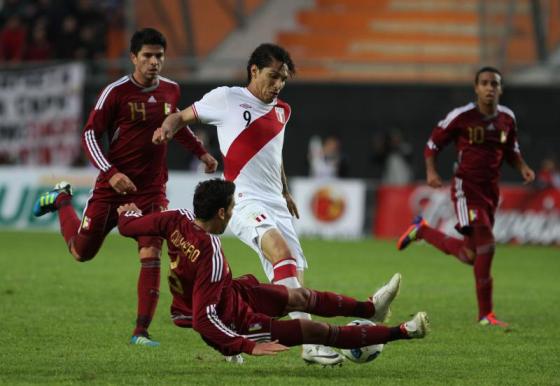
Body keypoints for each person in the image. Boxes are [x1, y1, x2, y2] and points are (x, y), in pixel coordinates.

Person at [152, 43, 345, 365]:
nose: (278, 84)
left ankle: (235, 324)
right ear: (253, 71)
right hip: (241, 197)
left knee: (288, 273)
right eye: (273, 76)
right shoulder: (226, 99)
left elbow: (275, 154)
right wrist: (165, 130)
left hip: (275, 200)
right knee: (281, 254)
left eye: (283, 78)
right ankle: (310, 342)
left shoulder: (283, 110)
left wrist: (284, 192)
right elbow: (179, 117)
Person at [31, 28, 218, 346]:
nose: (153, 62)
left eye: (159, 56)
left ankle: (140, 332)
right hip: (112, 188)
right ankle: (62, 199)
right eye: (147, 56)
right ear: (133, 57)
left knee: (150, 253)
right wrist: (110, 171)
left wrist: (200, 152)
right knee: (80, 252)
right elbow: (89, 135)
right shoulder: (115, 92)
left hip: (151, 190)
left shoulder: (171, 90)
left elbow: (174, 124)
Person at [116, 178, 430, 360]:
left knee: (299, 296)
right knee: (314, 332)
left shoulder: (176, 219)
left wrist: (125, 216)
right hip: (233, 317)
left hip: (233, 293)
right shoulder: (210, 253)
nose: (234, 213)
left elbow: (133, 227)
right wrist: (245, 345)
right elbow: (203, 319)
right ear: (222, 213)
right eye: (233, 209)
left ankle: (370, 308)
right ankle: (404, 332)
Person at [397, 66, 535, 327]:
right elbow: (432, 144)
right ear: (476, 88)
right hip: (466, 188)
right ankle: (486, 314)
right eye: (484, 83)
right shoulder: (461, 116)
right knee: (487, 243)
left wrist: (523, 167)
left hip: (490, 191)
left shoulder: (507, 118)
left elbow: (511, 151)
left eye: (494, 83)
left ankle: (422, 231)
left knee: (470, 255)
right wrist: (431, 171)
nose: (489, 88)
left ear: (501, 89)